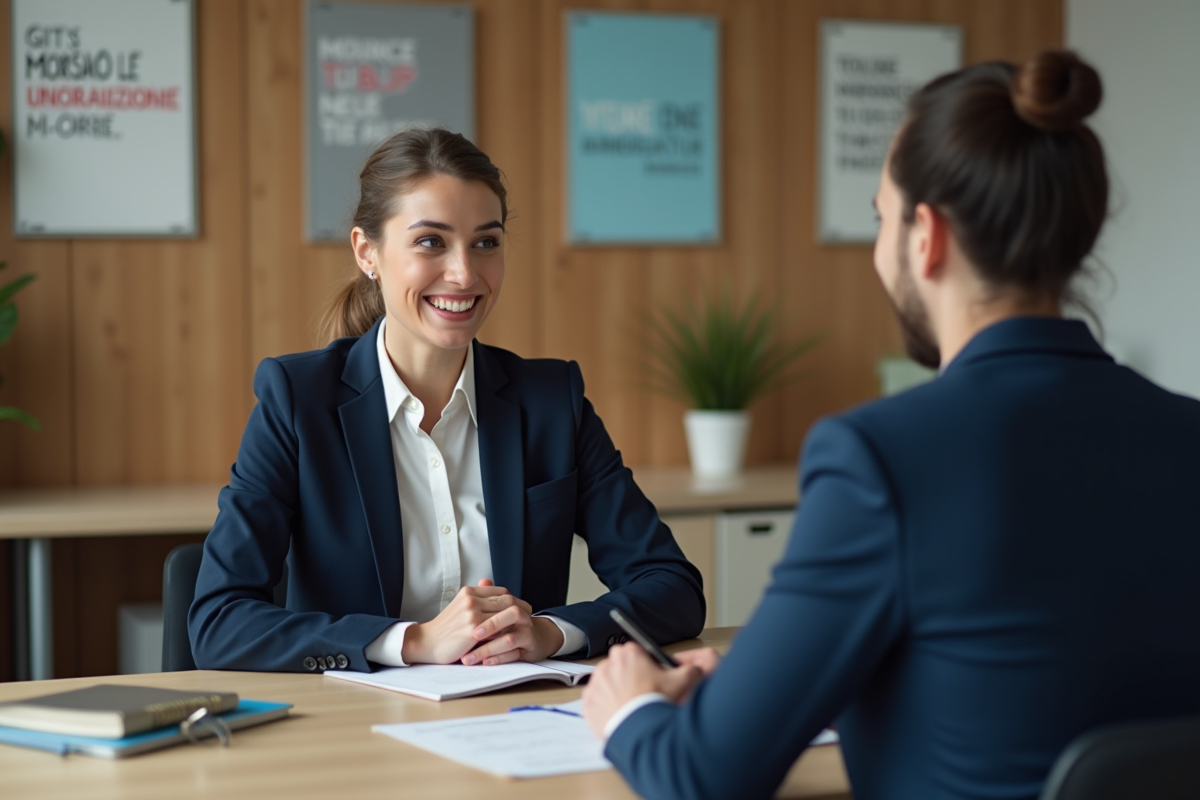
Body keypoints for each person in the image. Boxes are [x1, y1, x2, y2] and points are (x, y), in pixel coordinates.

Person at [582, 49, 1200, 800]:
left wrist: (630, 709)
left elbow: (700, 777)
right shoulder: (1186, 433)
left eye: (882, 219)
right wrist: (758, 685)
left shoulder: (882, 457)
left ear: (926, 237)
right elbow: (1022, 682)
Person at [189, 128, 704, 673]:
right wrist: (412, 642)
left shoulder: (553, 402)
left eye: (486, 242)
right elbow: (219, 622)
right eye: (431, 242)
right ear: (368, 252)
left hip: (513, 724)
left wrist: (550, 633)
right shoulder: (298, 402)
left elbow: (671, 585)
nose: (464, 274)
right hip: (354, 734)